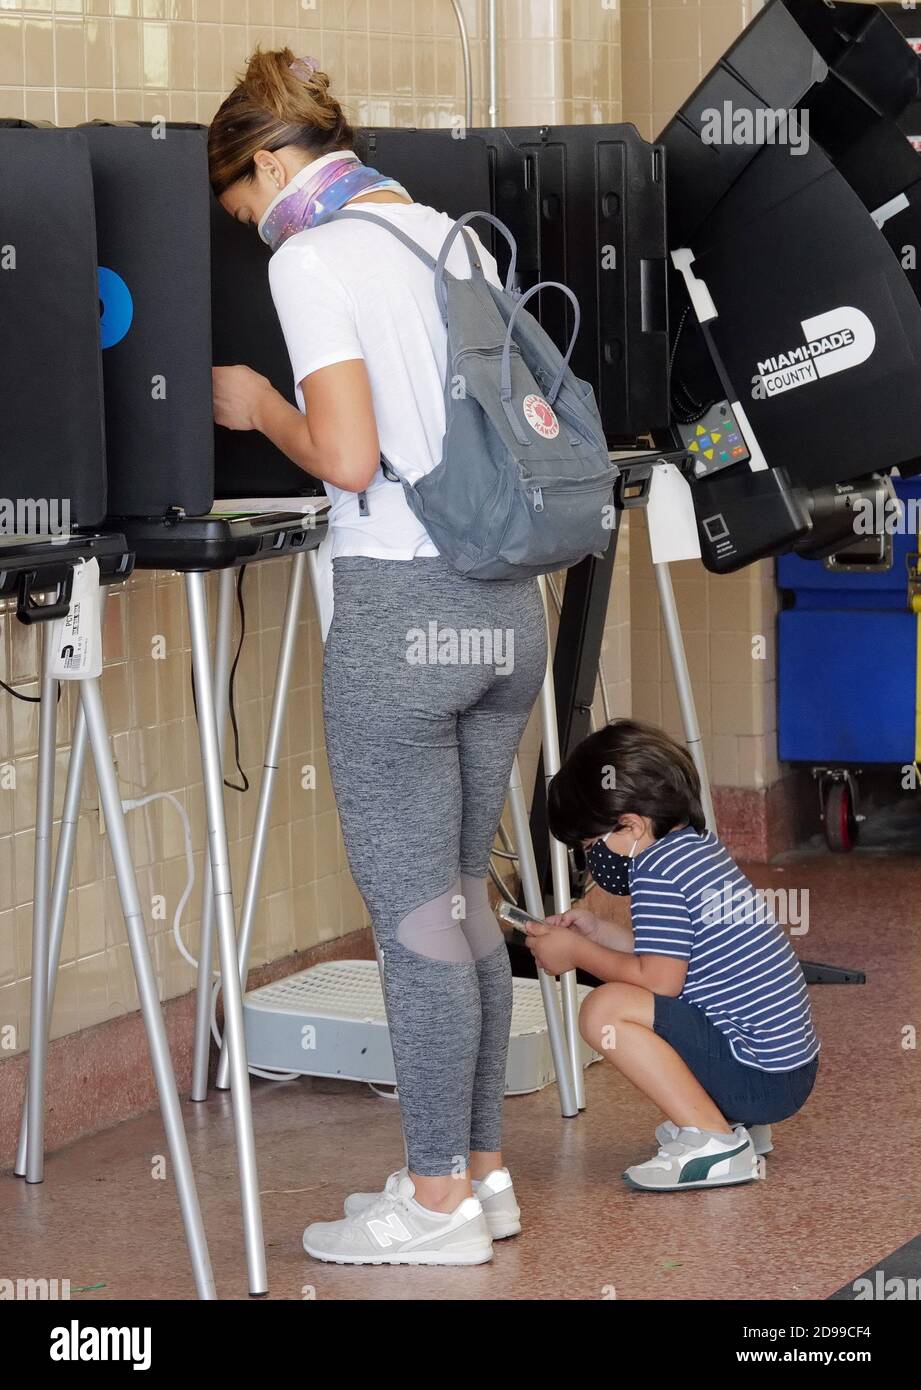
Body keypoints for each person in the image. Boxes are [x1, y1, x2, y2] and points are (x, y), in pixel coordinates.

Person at [208, 48, 545, 1264]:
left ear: (265, 166)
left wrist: (259, 407)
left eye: (240, 210)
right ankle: (483, 1177)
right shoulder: (448, 236)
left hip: (402, 613)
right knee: (463, 898)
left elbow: (349, 457)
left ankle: (436, 1203)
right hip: (507, 609)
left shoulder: (312, 258)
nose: (252, 234)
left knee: (417, 922)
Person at [525, 718, 820, 1191]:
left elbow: (660, 981)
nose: (594, 860)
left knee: (603, 1009)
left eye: (592, 845)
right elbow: (675, 956)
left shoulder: (655, 870)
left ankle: (715, 1141)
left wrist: (577, 953)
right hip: (784, 1070)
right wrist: (599, 933)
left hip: (758, 1078)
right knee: (631, 1000)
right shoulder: (692, 849)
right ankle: (732, 1124)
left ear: (631, 824)